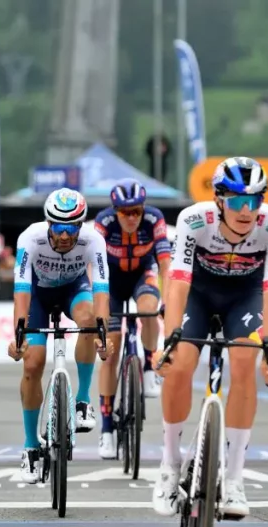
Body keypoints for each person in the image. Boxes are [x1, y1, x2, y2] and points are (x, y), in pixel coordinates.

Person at [152, 156, 268, 520]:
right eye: (237, 202)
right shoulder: (194, 220)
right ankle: (169, 463)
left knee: (245, 363)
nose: (247, 211)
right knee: (180, 363)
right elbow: (178, 282)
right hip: (197, 293)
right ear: (219, 200)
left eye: (255, 201)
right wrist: (169, 339)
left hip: (245, 297)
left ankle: (233, 479)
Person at [8, 188, 112, 483]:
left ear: (81, 225)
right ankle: (30, 446)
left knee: (90, 321)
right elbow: (21, 289)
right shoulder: (31, 237)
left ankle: (81, 401)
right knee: (33, 363)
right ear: (48, 223)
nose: (65, 236)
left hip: (73, 290)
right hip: (38, 296)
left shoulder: (94, 240)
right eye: (59, 227)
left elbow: (102, 289)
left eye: (72, 228)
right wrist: (19, 334)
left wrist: (102, 334)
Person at [92, 178, 171, 459]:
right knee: (110, 350)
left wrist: (169, 301)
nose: (131, 218)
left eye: (136, 211)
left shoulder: (154, 219)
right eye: (125, 212)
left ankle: (149, 367)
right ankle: (106, 429)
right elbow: (93, 266)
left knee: (150, 307)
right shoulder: (103, 223)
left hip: (142, 274)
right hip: (111, 282)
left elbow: (165, 264)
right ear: (115, 211)